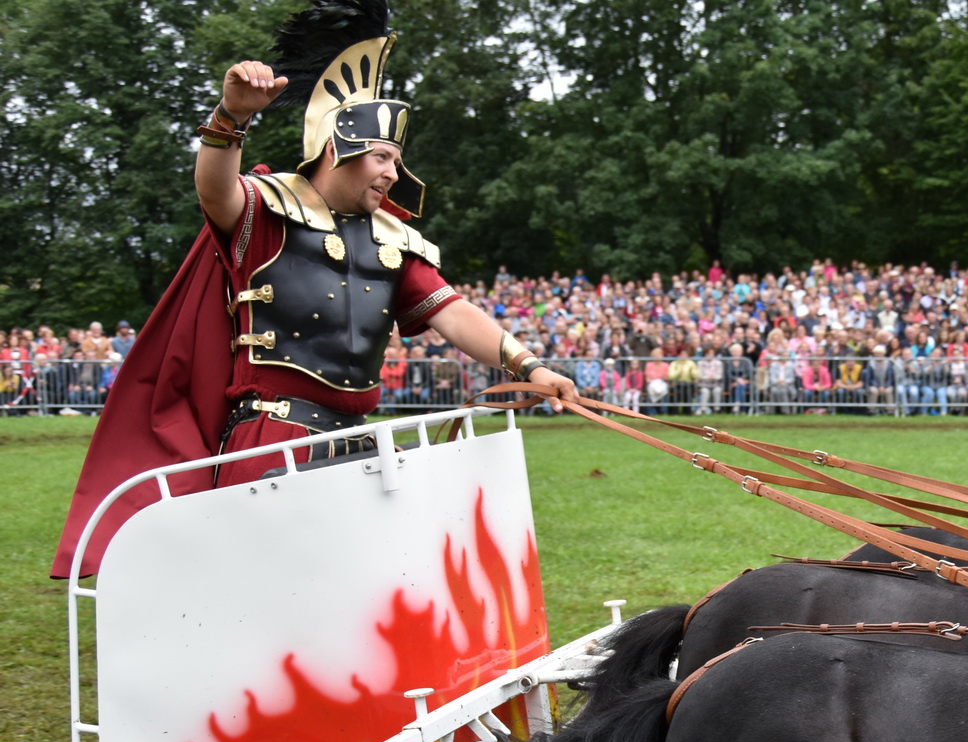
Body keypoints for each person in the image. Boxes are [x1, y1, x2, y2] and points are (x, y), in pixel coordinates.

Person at [52, 0, 577, 579]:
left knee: (375, 592)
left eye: (397, 161)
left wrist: (528, 365)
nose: (392, 173)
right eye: (382, 157)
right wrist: (231, 116)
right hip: (274, 437)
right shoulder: (266, 209)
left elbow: (451, 312)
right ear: (337, 149)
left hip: (360, 443)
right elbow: (213, 189)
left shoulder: (393, 240)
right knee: (268, 594)